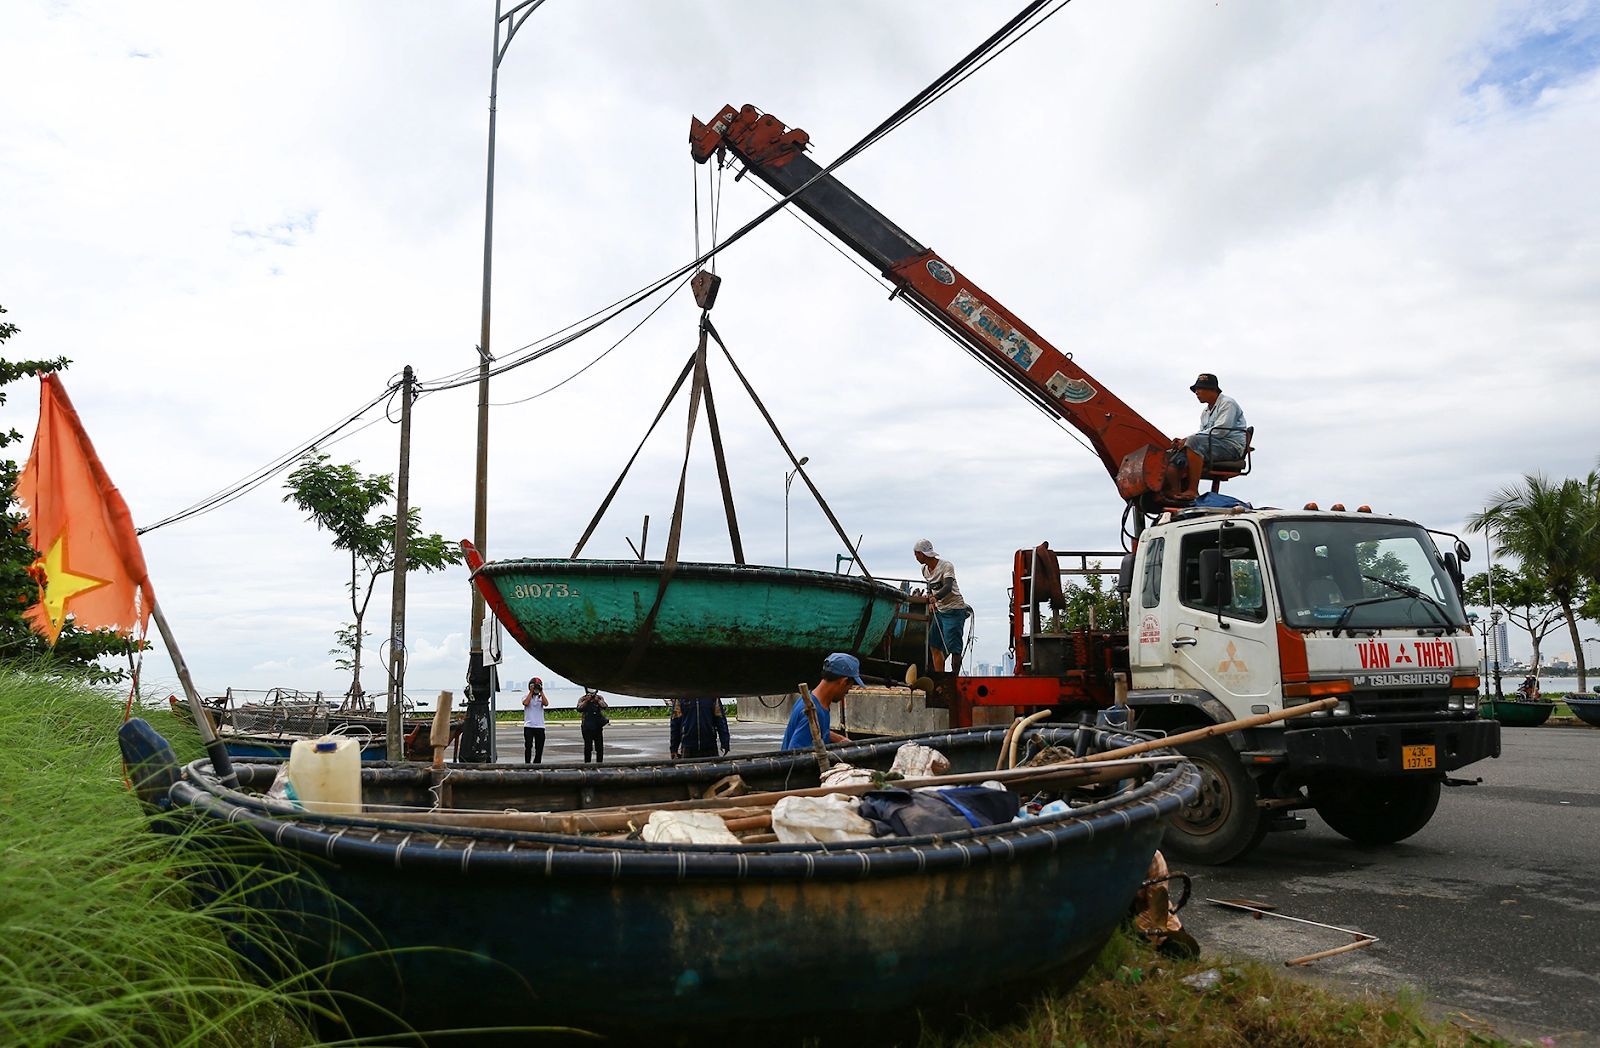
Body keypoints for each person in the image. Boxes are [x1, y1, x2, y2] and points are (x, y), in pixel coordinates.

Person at [781, 652, 864, 751]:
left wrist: (840, 739)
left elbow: (817, 731)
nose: (847, 692)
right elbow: (795, 758)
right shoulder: (811, 713)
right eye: (849, 687)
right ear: (844, 681)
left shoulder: (812, 699)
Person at [913, 539, 972, 675]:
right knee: (934, 645)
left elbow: (948, 586)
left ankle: (954, 676)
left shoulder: (946, 566)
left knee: (954, 647)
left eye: (917, 554)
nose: (916, 557)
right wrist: (932, 601)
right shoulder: (925, 570)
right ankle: (940, 675)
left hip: (954, 609)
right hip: (940, 611)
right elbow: (930, 586)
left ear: (922, 554)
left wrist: (935, 598)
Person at [1181, 373, 1249, 464]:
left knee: (1192, 442)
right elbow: (1202, 434)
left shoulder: (1227, 403)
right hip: (1212, 444)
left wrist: (1188, 440)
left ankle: (1193, 478)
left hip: (1231, 447)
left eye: (1200, 388)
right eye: (1196, 389)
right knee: (1178, 453)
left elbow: (1220, 431)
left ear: (1213, 390)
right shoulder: (1205, 413)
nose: (1196, 392)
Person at [521, 677, 549, 764]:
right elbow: (526, 703)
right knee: (528, 746)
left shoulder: (541, 697)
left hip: (540, 726)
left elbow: (546, 703)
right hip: (529, 726)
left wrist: (541, 692)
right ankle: (527, 764)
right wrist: (531, 692)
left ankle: (537, 764)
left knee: (539, 747)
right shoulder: (526, 696)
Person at [577, 688, 609, 763]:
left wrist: (598, 701)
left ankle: (599, 763)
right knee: (588, 747)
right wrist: (586, 701)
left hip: (597, 726)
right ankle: (587, 764)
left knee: (599, 747)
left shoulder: (599, 698)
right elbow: (579, 708)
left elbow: (605, 706)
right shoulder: (583, 698)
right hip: (587, 727)